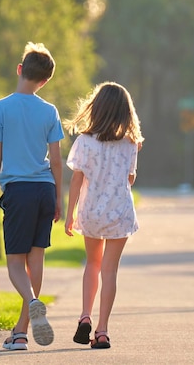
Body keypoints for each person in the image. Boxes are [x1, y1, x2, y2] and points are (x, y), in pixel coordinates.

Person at [0, 42, 64, 351]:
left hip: (17, 191)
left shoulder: (0, 108)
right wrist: (60, 198)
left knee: (16, 264)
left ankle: (32, 301)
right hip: (44, 189)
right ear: (45, 81)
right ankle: (20, 332)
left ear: (20, 70)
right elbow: (56, 161)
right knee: (36, 259)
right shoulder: (49, 111)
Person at [63, 81, 144, 349]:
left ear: (95, 109)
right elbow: (129, 179)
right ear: (125, 112)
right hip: (118, 213)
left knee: (92, 265)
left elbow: (76, 180)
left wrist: (69, 214)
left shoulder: (85, 142)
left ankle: (85, 315)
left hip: (91, 212)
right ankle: (102, 331)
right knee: (110, 271)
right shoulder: (130, 144)